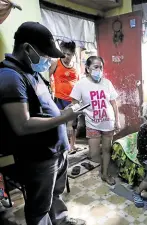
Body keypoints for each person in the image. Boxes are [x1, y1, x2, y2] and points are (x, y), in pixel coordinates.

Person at [0, 22, 86, 225]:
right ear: (27, 48)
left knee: (55, 195)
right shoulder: (10, 77)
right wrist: (64, 118)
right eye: (46, 55)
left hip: (56, 149)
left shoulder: (31, 72)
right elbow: (22, 124)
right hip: (38, 156)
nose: (48, 60)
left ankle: (62, 221)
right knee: (40, 207)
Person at [70, 56, 120, 185]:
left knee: (107, 150)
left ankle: (105, 174)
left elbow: (114, 103)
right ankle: (99, 170)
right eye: (95, 67)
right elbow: (74, 105)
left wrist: (117, 121)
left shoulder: (107, 83)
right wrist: (71, 123)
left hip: (108, 122)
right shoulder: (80, 85)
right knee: (94, 153)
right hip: (92, 124)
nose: (99, 70)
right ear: (87, 68)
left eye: (101, 67)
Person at [49, 41, 80, 153]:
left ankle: (73, 145)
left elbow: (78, 83)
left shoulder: (75, 67)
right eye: (64, 53)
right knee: (60, 123)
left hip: (73, 100)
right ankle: (62, 145)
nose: (66, 56)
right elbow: (47, 77)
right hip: (59, 98)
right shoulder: (56, 63)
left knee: (74, 125)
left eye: (69, 54)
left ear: (73, 54)